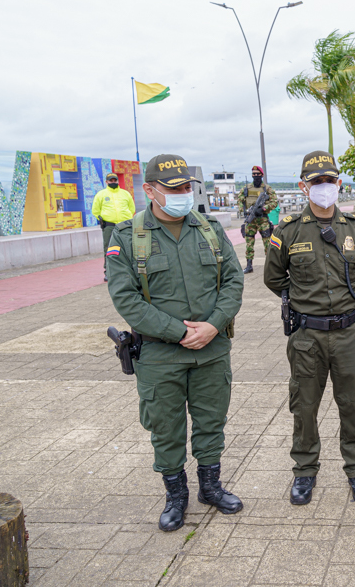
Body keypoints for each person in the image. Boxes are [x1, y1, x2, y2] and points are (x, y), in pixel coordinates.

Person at [107, 154, 244, 532]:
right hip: (159, 356)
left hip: (212, 351)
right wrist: (181, 332)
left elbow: (233, 282)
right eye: (175, 189)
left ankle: (210, 487)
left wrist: (214, 325)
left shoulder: (210, 229)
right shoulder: (126, 238)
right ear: (150, 190)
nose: (184, 194)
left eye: (188, 187)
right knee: (165, 429)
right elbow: (127, 301)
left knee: (211, 422)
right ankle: (176, 497)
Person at [264, 150, 355, 506]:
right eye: (316, 182)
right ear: (305, 187)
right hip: (307, 337)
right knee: (304, 406)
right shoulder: (287, 231)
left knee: (354, 404)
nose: (324, 187)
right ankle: (305, 472)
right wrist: (300, 298)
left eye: (329, 181)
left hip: (350, 334)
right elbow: (273, 277)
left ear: (339, 184)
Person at [91, 172, 135, 282]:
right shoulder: (101, 194)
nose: (113, 182)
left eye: (115, 180)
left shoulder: (125, 194)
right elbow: (96, 210)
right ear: (106, 182)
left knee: (128, 247)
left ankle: (129, 271)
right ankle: (108, 272)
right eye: (111, 180)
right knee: (109, 249)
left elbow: (132, 208)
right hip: (109, 225)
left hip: (125, 225)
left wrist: (127, 217)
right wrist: (103, 219)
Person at [237, 165, 278, 274]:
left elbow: (274, 202)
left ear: (261, 175)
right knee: (249, 244)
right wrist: (244, 211)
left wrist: (264, 208)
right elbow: (240, 201)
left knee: (267, 244)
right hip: (250, 220)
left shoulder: (266, 189)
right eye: (254, 174)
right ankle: (249, 265)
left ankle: (271, 267)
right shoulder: (246, 189)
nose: (255, 176)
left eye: (257, 174)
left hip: (262, 220)